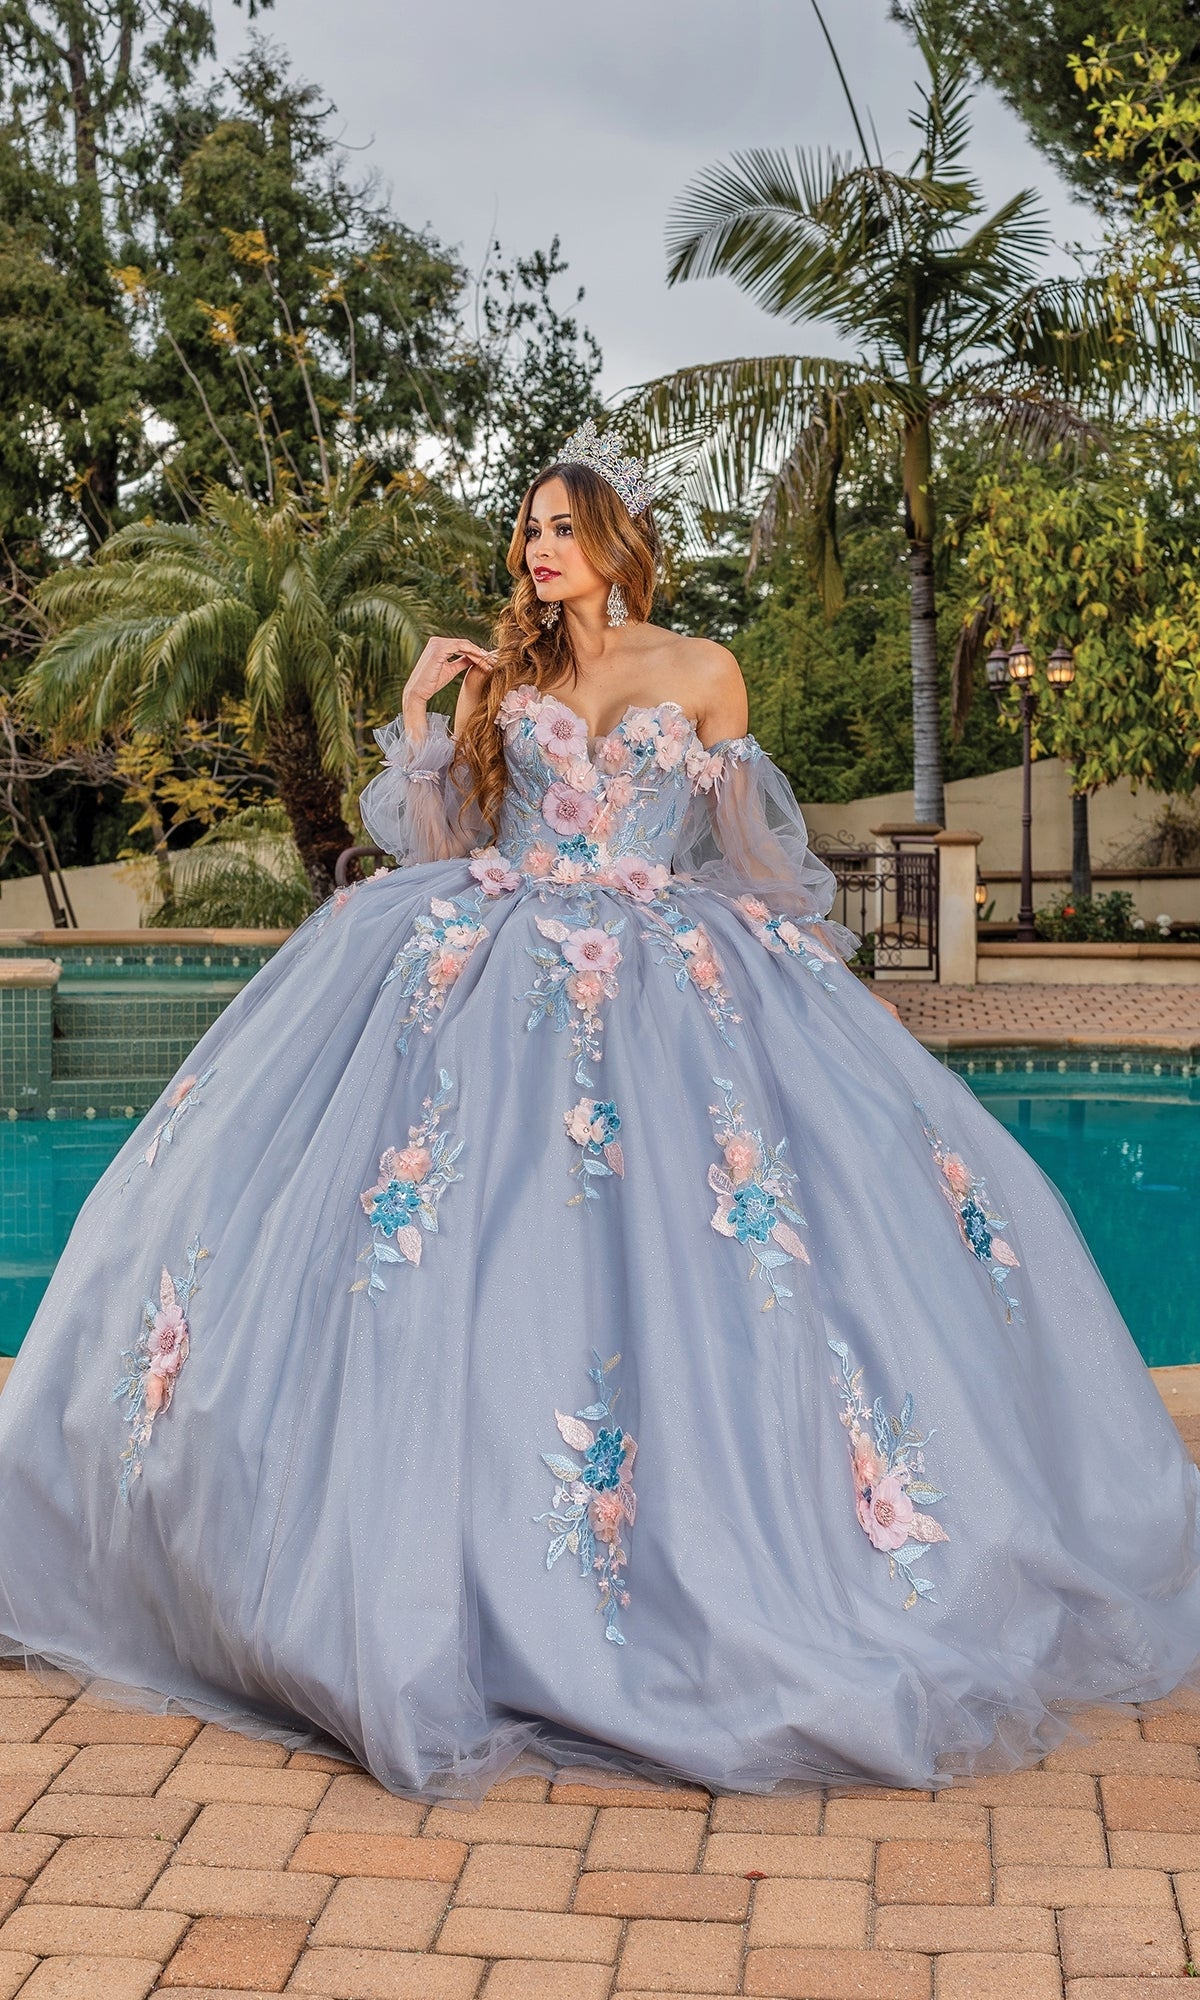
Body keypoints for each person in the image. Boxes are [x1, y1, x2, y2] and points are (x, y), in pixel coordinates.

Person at [0, 417, 1196, 1801]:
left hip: (666, 973)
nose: (538, 549)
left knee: (724, 1255)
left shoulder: (705, 670)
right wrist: (420, 719)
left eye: (562, 527)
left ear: (618, 542)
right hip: (495, 962)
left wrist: (798, 966)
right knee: (451, 1230)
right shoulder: (508, 678)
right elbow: (448, 844)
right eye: (528, 529)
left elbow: (748, 856)